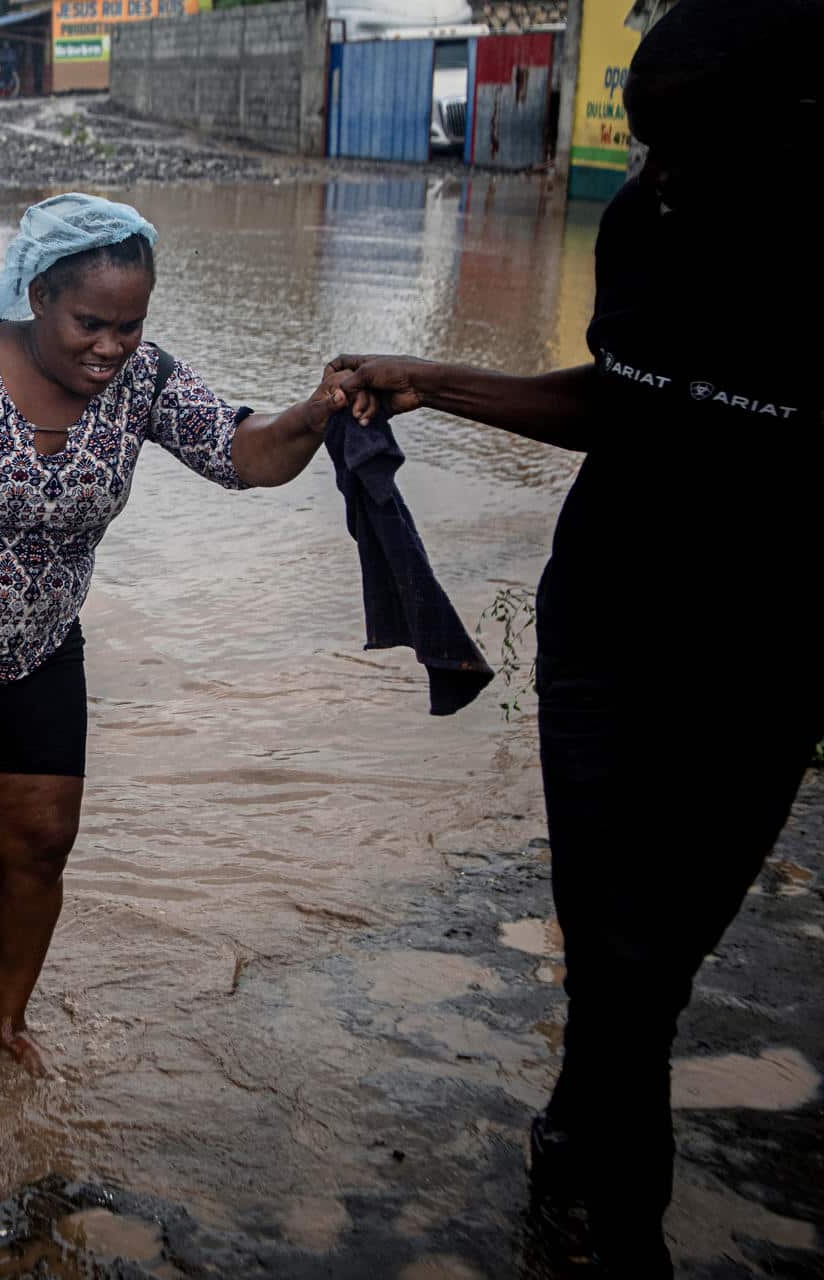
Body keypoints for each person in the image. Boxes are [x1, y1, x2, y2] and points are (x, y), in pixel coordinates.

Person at [322, 2, 821, 1270]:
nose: (657, 176)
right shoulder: (642, 223)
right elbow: (627, 400)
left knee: (655, 965)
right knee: (618, 945)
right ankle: (620, 1228)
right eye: (647, 146)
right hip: (605, 621)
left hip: (768, 655)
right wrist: (436, 379)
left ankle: (572, 1136)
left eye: (686, 151)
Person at [0, 195, 337, 1073]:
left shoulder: (145, 384)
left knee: (40, 844)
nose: (111, 347)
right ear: (38, 294)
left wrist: (311, 415)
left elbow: (246, 455)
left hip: (41, 654)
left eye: (130, 326)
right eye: (92, 322)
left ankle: (4, 1025)